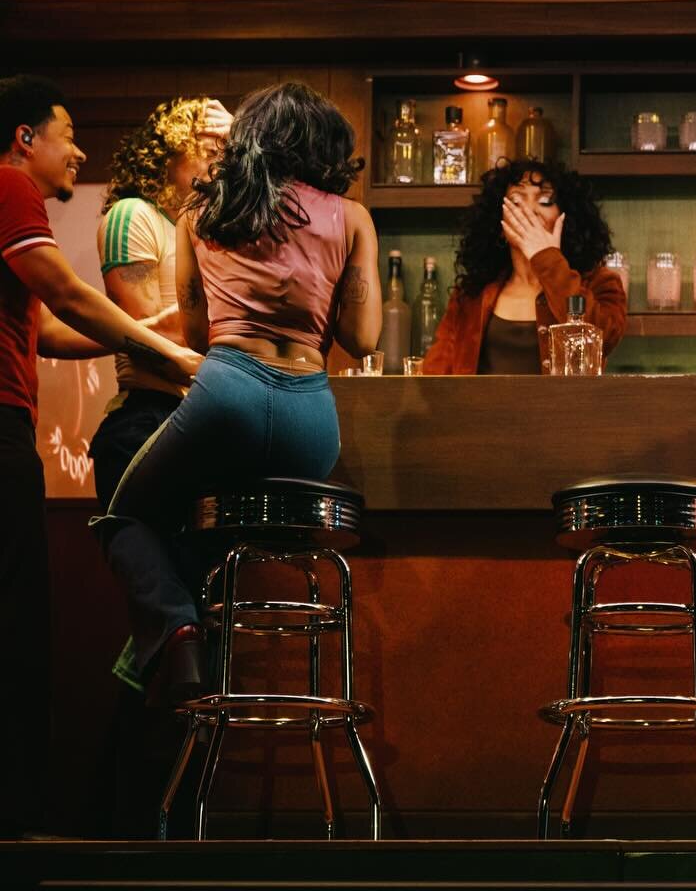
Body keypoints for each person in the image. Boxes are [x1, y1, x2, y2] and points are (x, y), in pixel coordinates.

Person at [93, 82, 381, 707]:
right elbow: (363, 339)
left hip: (226, 397)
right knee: (205, 532)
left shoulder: (201, 213)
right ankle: (180, 639)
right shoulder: (352, 216)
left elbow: (198, 334)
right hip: (312, 421)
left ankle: (177, 631)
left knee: (126, 514)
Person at [0, 74, 200, 837]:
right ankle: (18, 829)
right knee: (17, 626)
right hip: (2, 427)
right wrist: (170, 354)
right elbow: (69, 296)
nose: (78, 151)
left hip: (13, 422)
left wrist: (155, 333)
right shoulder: (10, 186)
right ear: (25, 138)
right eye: (68, 135)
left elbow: (51, 331)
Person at [90, 96, 233, 520]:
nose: (217, 165)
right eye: (207, 150)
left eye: (224, 153)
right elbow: (144, 331)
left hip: (194, 414)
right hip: (148, 416)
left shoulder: (196, 232)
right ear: (169, 153)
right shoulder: (133, 214)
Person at [423, 159, 626, 374]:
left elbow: (605, 338)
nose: (531, 210)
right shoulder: (471, 294)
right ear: (499, 224)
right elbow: (435, 375)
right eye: (516, 201)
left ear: (565, 216)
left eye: (545, 200)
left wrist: (548, 259)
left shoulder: (598, 282)